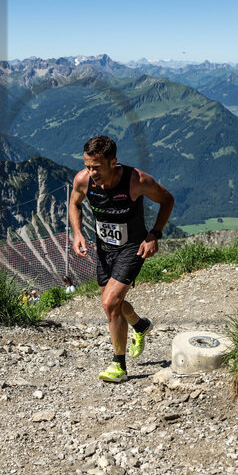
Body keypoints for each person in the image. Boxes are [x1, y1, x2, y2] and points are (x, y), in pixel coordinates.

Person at [70, 135, 174, 383]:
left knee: (109, 304)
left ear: (113, 162)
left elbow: (167, 200)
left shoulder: (136, 181)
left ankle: (119, 365)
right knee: (112, 302)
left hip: (132, 247)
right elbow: (74, 204)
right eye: (87, 166)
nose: (91, 172)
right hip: (104, 249)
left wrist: (154, 234)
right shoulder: (83, 180)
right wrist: (77, 233)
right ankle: (140, 325)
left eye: (96, 167)